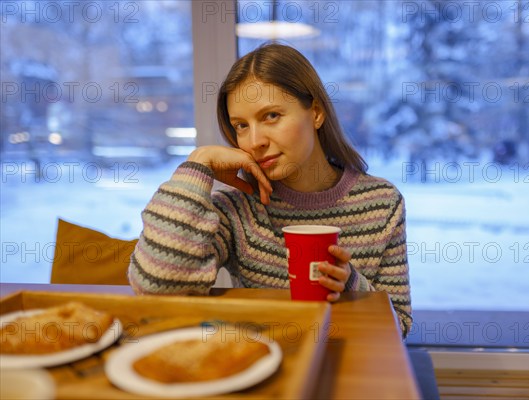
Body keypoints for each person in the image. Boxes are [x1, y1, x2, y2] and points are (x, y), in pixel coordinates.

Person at [128, 43, 412, 336]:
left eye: (271, 116)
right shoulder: (238, 208)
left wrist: (351, 285)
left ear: (315, 112)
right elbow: (155, 286)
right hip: (265, 366)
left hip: (349, 368)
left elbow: (399, 325)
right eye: (240, 125)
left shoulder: (383, 204)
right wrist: (197, 164)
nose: (254, 141)